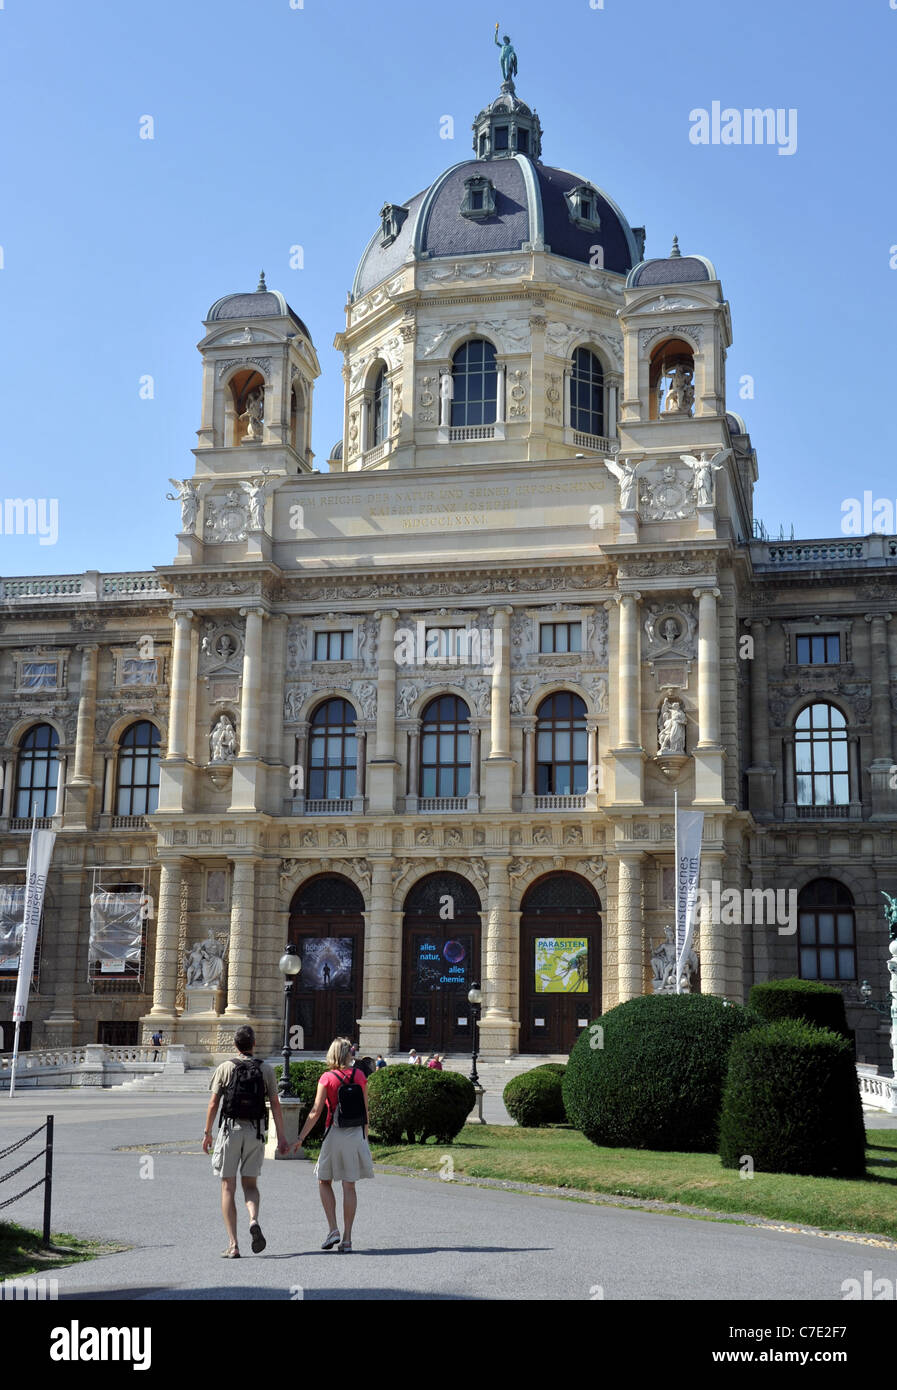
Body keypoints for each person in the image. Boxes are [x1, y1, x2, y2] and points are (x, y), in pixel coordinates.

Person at [202, 1025, 288, 1258]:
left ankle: (233, 1245)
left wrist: (207, 1132)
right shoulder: (266, 1069)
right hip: (255, 1131)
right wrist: (281, 1137)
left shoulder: (225, 1067)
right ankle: (253, 1219)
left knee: (227, 1185)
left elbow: (213, 1104)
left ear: (235, 1045)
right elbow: (276, 1106)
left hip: (230, 1130)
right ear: (254, 1045)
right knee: (250, 1184)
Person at [293, 1036, 374, 1253]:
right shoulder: (360, 1075)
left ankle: (333, 1229)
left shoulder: (327, 1077)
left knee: (323, 1180)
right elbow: (366, 1110)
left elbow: (316, 1111)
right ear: (349, 1054)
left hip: (334, 1132)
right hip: (356, 1132)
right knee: (349, 1185)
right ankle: (347, 1239)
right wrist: (365, 1138)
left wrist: (300, 1138)